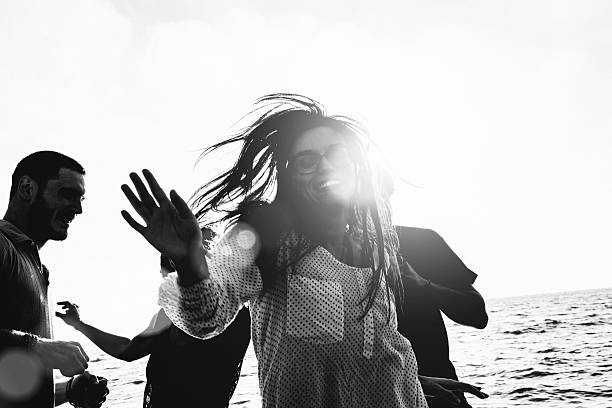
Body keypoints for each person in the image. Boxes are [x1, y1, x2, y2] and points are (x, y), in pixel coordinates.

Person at [119, 94, 487, 407]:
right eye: (306, 161)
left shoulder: (376, 245)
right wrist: (187, 261)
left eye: (335, 155)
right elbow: (207, 317)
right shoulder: (266, 237)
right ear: (290, 175)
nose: (324, 166)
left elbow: (371, 346)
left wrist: (413, 379)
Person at [56, 227, 251, 408]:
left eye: (166, 277)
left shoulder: (174, 315)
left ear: (178, 272)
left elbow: (127, 351)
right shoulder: (242, 314)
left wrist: (78, 324)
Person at [0, 151, 108, 407]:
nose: (79, 209)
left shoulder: (37, 267)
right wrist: (35, 347)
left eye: (81, 199)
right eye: (67, 194)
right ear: (27, 188)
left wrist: (68, 391)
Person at [395, 225, 488, 407]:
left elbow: (477, 314)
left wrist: (422, 286)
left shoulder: (419, 242)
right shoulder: (328, 246)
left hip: (443, 398)